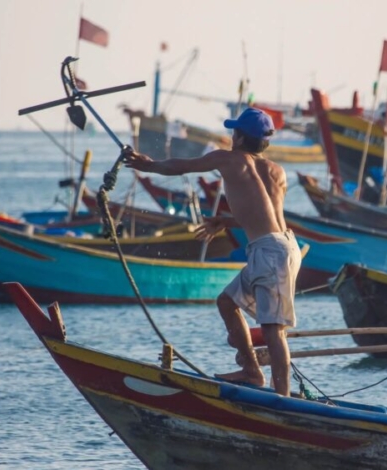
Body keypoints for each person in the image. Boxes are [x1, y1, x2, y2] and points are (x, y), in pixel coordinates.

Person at [122, 108, 301, 396]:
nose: (232, 137)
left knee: (273, 330)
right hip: (283, 246)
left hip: (270, 252)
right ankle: (253, 372)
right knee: (226, 303)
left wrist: (149, 165)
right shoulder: (277, 172)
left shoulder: (227, 159)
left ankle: (285, 399)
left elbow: (182, 166)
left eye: (235, 132)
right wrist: (225, 221)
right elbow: (266, 215)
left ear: (241, 137)